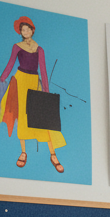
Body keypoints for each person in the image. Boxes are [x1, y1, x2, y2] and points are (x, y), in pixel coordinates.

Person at [0, 16, 66, 173]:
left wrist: (46, 91)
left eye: (28, 28)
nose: (26, 31)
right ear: (21, 32)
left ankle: (53, 154)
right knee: (22, 117)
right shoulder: (17, 46)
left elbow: (42, 69)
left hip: (34, 83)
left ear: (32, 30)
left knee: (44, 119)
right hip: (20, 81)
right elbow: (10, 64)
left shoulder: (39, 48)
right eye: (23, 30)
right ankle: (23, 152)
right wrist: (2, 78)